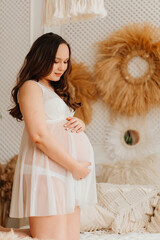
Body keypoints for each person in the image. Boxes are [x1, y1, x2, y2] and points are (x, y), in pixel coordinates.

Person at [0, 32, 97, 240]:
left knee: (69, 237)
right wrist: (74, 166)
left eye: (65, 61)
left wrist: (79, 124)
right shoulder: (31, 87)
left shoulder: (53, 90)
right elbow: (39, 135)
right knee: (49, 238)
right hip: (48, 169)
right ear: (41, 58)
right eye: (55, 61)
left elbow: (55, 124)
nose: (61, 67)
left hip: (63, 172)